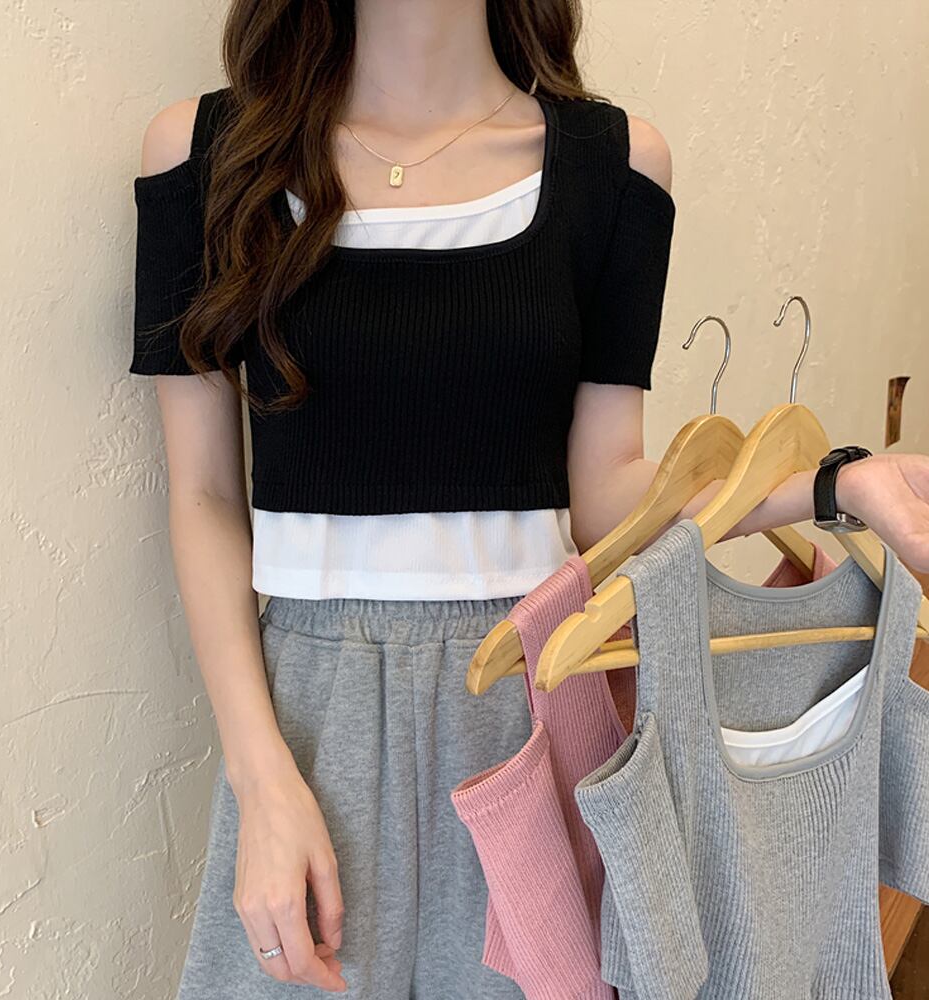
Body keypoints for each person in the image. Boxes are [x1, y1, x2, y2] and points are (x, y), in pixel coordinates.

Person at [128, 1, 929, 997]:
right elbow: (204, 494)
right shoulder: (209, 157)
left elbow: (608, 497)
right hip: (310, 719)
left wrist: (836, 484)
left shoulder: (614, 168)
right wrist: (261, 779)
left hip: (534, 696)